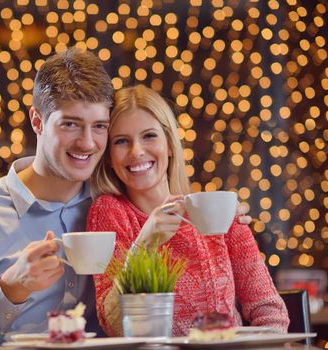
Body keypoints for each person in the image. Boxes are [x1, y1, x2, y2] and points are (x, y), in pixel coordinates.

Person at [0, 48, 114, 349]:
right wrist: (9, 288)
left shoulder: (111, 207)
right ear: (38, 121)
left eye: (99, 127)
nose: (87, 142)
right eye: (70, 124)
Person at [87, 84, 289, 336]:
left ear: (170, 145)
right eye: (121, 141)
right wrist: (145, 245)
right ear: (109, 156)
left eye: (149, 136)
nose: (136, 151)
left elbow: (270, 312)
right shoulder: (109, 212)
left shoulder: (216, 210)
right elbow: (114, 325)